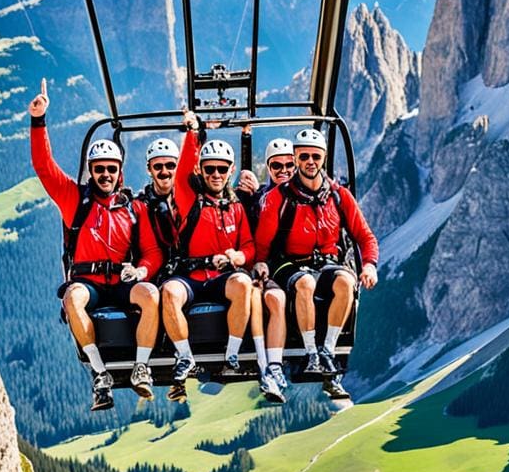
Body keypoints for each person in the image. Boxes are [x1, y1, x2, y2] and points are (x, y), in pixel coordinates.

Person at [29, 79, 162, 411]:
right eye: (99, 170)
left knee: (151, 295)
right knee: (73, 297)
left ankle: (141, 366)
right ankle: (100, 373)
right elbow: (45, 169)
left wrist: (142, 269)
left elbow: (152, 252)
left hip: (121, 282)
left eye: (111, 170)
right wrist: (38, 121)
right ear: (91, 172)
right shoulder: (76, 201)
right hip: (89, 283)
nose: (105, 175)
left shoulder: (135, 208)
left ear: (120, 173)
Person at [253, 128, 379, 400]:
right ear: (296, 157)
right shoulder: (279, 197)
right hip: (289, 264)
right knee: (305, 283)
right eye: (305, 156)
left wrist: (369, 264)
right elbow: (262, 244)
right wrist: (261, 263)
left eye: (316, 156)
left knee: (346, 281)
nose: (310, 162)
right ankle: (311, 352)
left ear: (323, 158)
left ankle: (327, 350)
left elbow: (364, 236)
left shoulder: (338, 196)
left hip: (326, 263)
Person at [161, 111, 255, 403]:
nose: (215, 174)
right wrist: (193, 133)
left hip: (221, 278)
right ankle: (185, 357)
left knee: (242, 284)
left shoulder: (236, 206)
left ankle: (232, 354)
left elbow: (250, 246)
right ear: (201, 171)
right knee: (169, 292)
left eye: (222, 169)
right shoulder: (190, 199)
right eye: (210, 169)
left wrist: (237, 256)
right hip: (192, 276)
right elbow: (184, 169)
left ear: (231, 171)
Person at [235, 136, 297, 403]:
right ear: (269, 169)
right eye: (276, 167)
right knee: (263, 297)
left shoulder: (309, 193)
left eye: (288, 166)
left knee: (274, 298)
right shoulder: (260, 197)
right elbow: (247, 222)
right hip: (262, 265)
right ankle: (268, 367)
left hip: (281, 265)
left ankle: (272, 366)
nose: (283, 171)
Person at [135, 137, 181, 274]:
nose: (164, 171)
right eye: (158, 166)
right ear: (149, 169)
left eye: (170, 166)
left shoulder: (192, 201)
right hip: (152, 271)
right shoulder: (139, 206)